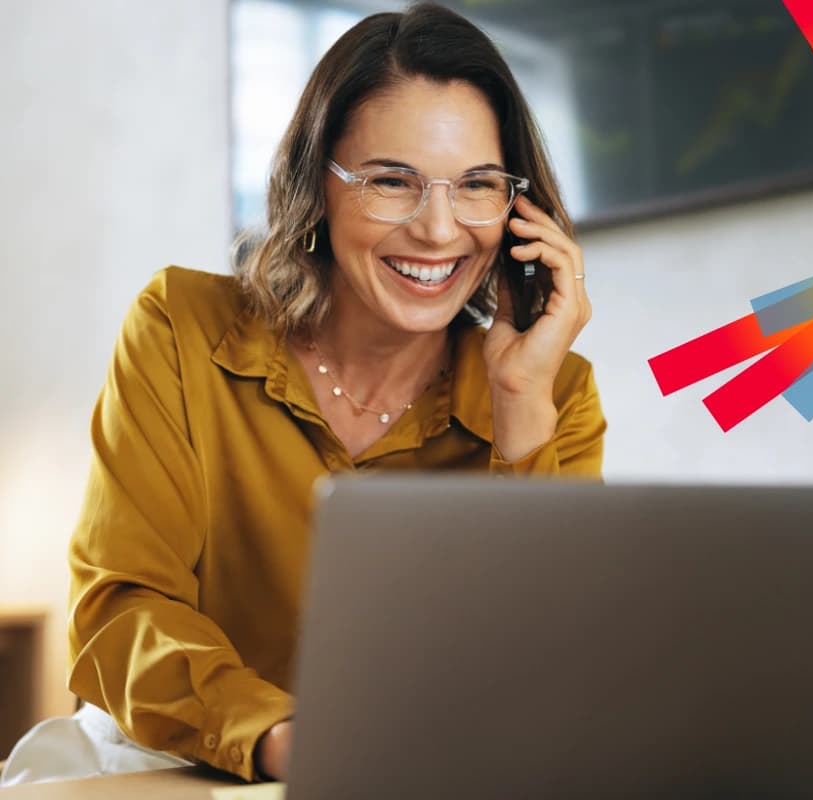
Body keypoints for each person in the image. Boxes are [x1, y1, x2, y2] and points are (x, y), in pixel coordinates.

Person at [0, 3, 603, 786]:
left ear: (518, 210)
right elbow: (120, 609)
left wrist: (522, 398)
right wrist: (281, 736)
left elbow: (554, 673)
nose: (439, 229)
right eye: (393, 181)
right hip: (177, 756)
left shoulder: (552, 392)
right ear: (316, 185)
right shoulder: (180, 328)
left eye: (478, 186)